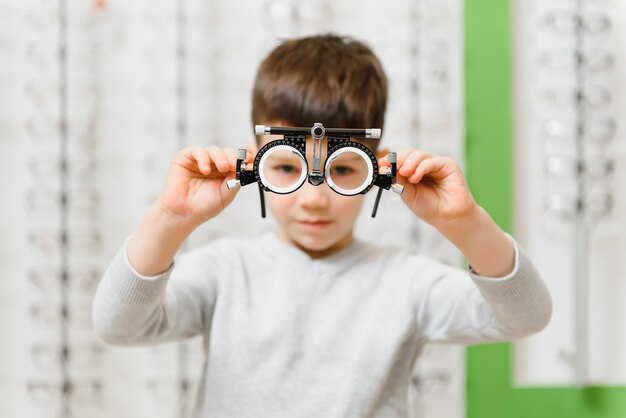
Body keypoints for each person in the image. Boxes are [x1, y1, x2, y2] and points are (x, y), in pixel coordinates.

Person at [92, 34, 551, 418]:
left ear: (377, 168)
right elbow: (119, 326)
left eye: (343, 170)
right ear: (255, 163)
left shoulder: (406, 281)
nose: (314, 197)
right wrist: (171, 220)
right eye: (287, 168)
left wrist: (465, 224)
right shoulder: (225, 270)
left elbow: (526, 316)